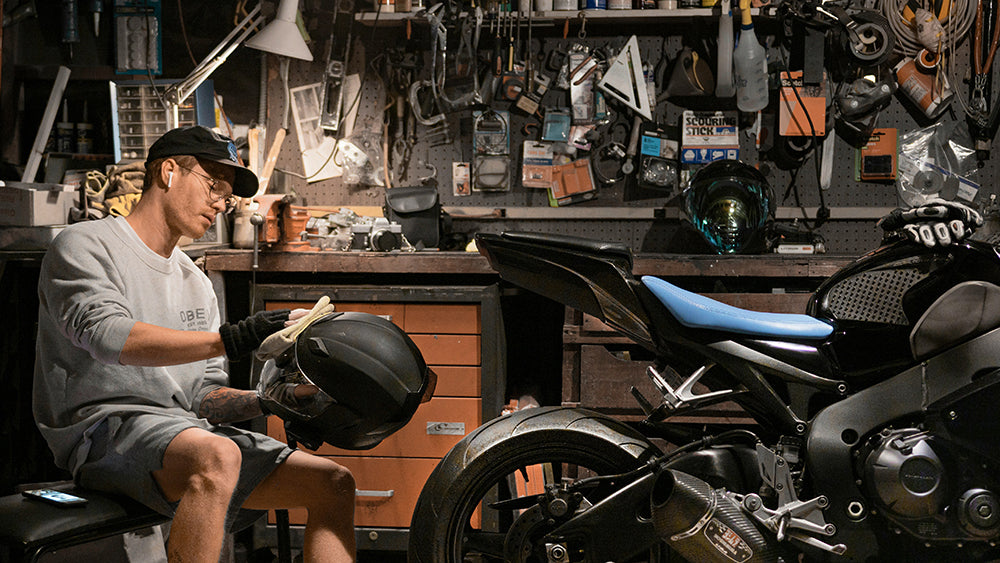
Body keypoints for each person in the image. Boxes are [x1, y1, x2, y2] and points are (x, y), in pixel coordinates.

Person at [33, 125, 356, 563]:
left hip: (181, 434)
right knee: (217, 454)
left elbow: (202, 396)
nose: (221, 203)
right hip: (99, 434)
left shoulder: (195, 280)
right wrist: (236, 337)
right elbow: (109, 336)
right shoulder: (85, 246)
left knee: (333, 483)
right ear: (168, 172)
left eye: (227, 195)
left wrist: (272, 400)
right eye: (213, 186)